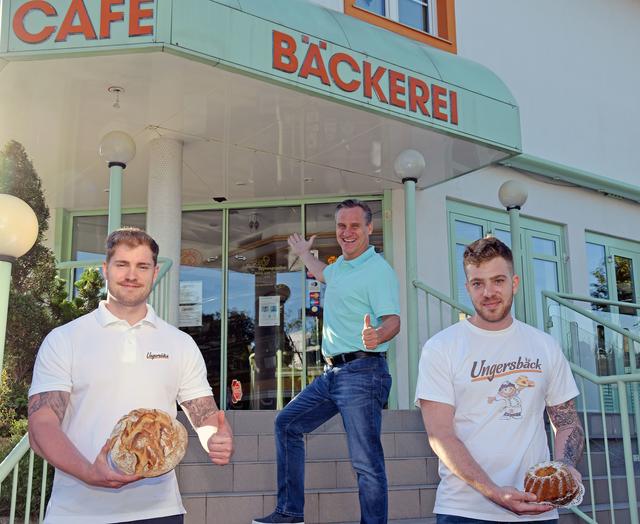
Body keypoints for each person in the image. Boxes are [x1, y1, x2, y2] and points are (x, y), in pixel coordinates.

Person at [28, 228, 234, 524]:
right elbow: (42, 422)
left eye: (142, 266)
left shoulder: (179, 343)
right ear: (105, 270)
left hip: (159, 511)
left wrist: (215, 437)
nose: (131, 274)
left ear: (155, 272)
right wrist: (89, 472)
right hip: (76, 513)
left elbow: (204, 414)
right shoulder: (65, 339)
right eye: (122, 264)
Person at [415, 236, 584, 523]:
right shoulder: (441, 347)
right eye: (478, 283)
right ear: (468, 288)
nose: (489, 292)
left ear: (514, 283)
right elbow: (440, 434)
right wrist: (493, 491)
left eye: (498, 281)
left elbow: (567, 422)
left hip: (537, 508)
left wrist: (564, 467)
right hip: (464, 510)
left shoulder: (544, 346)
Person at [253, 199, 401, 524]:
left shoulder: (377, 271)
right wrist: (305, 254)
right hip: (333, 374)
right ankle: (290, 512)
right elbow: (323, 275)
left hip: (364, 372)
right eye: (341, 226)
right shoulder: (342, 267)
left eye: (354, 226)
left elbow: (393, 320)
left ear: (369, 229)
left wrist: (379, 334)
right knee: (287, 424)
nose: (346, 232)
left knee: (366, 462)